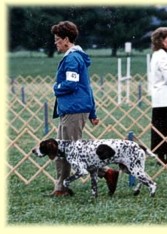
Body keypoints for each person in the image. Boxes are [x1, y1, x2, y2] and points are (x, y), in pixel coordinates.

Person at [50, 21, 119, 196]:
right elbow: (86, 87)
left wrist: (56, 88)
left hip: (73, 110)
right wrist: (92, 113)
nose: (55, 43)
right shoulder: (77, 56)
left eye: (58, 39)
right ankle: (61, 188)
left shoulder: (72, 58)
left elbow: (71, 84)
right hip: (73, 109)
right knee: (65, 151)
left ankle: (106, 173)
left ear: (66, 39)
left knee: (74, 153)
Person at [150, 27, 167, 165]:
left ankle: (162, 157)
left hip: (161, 99)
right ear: (161, 41)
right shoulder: (163, 56)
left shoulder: (157, 55)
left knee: (161, 129)